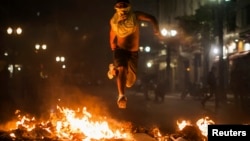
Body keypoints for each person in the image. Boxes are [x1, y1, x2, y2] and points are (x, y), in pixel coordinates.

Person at [107, 0, 162, 108]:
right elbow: (112, 34)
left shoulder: (135, 16)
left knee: (129, 83)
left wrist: (156, 29)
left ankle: (114, 71)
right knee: (122, 68)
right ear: (117, 9)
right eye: (120, 7)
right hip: (120, 50)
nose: (122, 12)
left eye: (124, 7)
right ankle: (121, 96)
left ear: (128, 7)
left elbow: (152, 18)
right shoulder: (114, 21)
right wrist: (113, 47)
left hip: (133, 53)